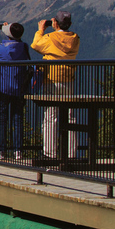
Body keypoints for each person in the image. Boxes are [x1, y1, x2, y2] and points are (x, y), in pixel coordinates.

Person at [31, 11, 80, 159]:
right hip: (68, 78)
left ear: (55, 23)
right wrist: (57, 29)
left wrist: (41, 30)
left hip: (51, 78)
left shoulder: (50, 37)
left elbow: (36, 45)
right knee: (70, 116)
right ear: (70, 24)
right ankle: (71, 154)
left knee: (51, 116)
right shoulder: (75, 38)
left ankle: (50, 153)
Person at [0, 22, 30, 160]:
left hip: (3, 87)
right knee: (18, 119)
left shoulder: (2, 50)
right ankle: (18, 151)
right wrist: (9, 30)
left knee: (1, 119)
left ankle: (1, 151)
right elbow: (17, 43)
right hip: (19, 87)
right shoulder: (23, 48)